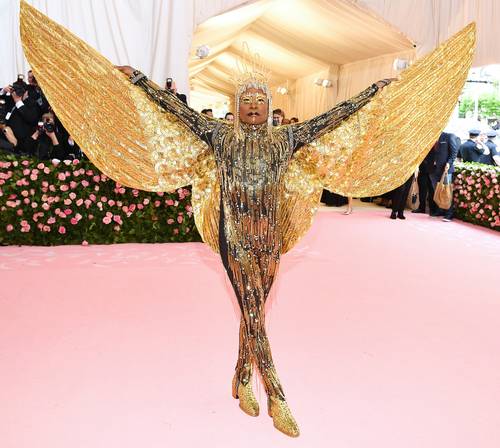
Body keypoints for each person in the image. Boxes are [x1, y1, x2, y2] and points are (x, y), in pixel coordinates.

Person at [21, 2, 475, 437]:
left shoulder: (288, 138)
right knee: (255, 309)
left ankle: (241, 378)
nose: (254, 106)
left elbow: (334, 115)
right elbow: (174, 110)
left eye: (260, 100)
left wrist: (377, 91)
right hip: (232, 234)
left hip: (269, 236)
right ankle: (276, 393)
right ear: (236, 106)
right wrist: (138, 78)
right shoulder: (219, 137)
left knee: (251, 309)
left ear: (268, 103)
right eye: (246, 100)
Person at [429, 132, 459, 220]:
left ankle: (449, 213)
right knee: (437, 190)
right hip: (432, 169)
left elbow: (454, 152)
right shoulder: (429, 135)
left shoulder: (448, 136)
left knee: (446, 191)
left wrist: (449, 163)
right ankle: (440, 209)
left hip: (445, 169)